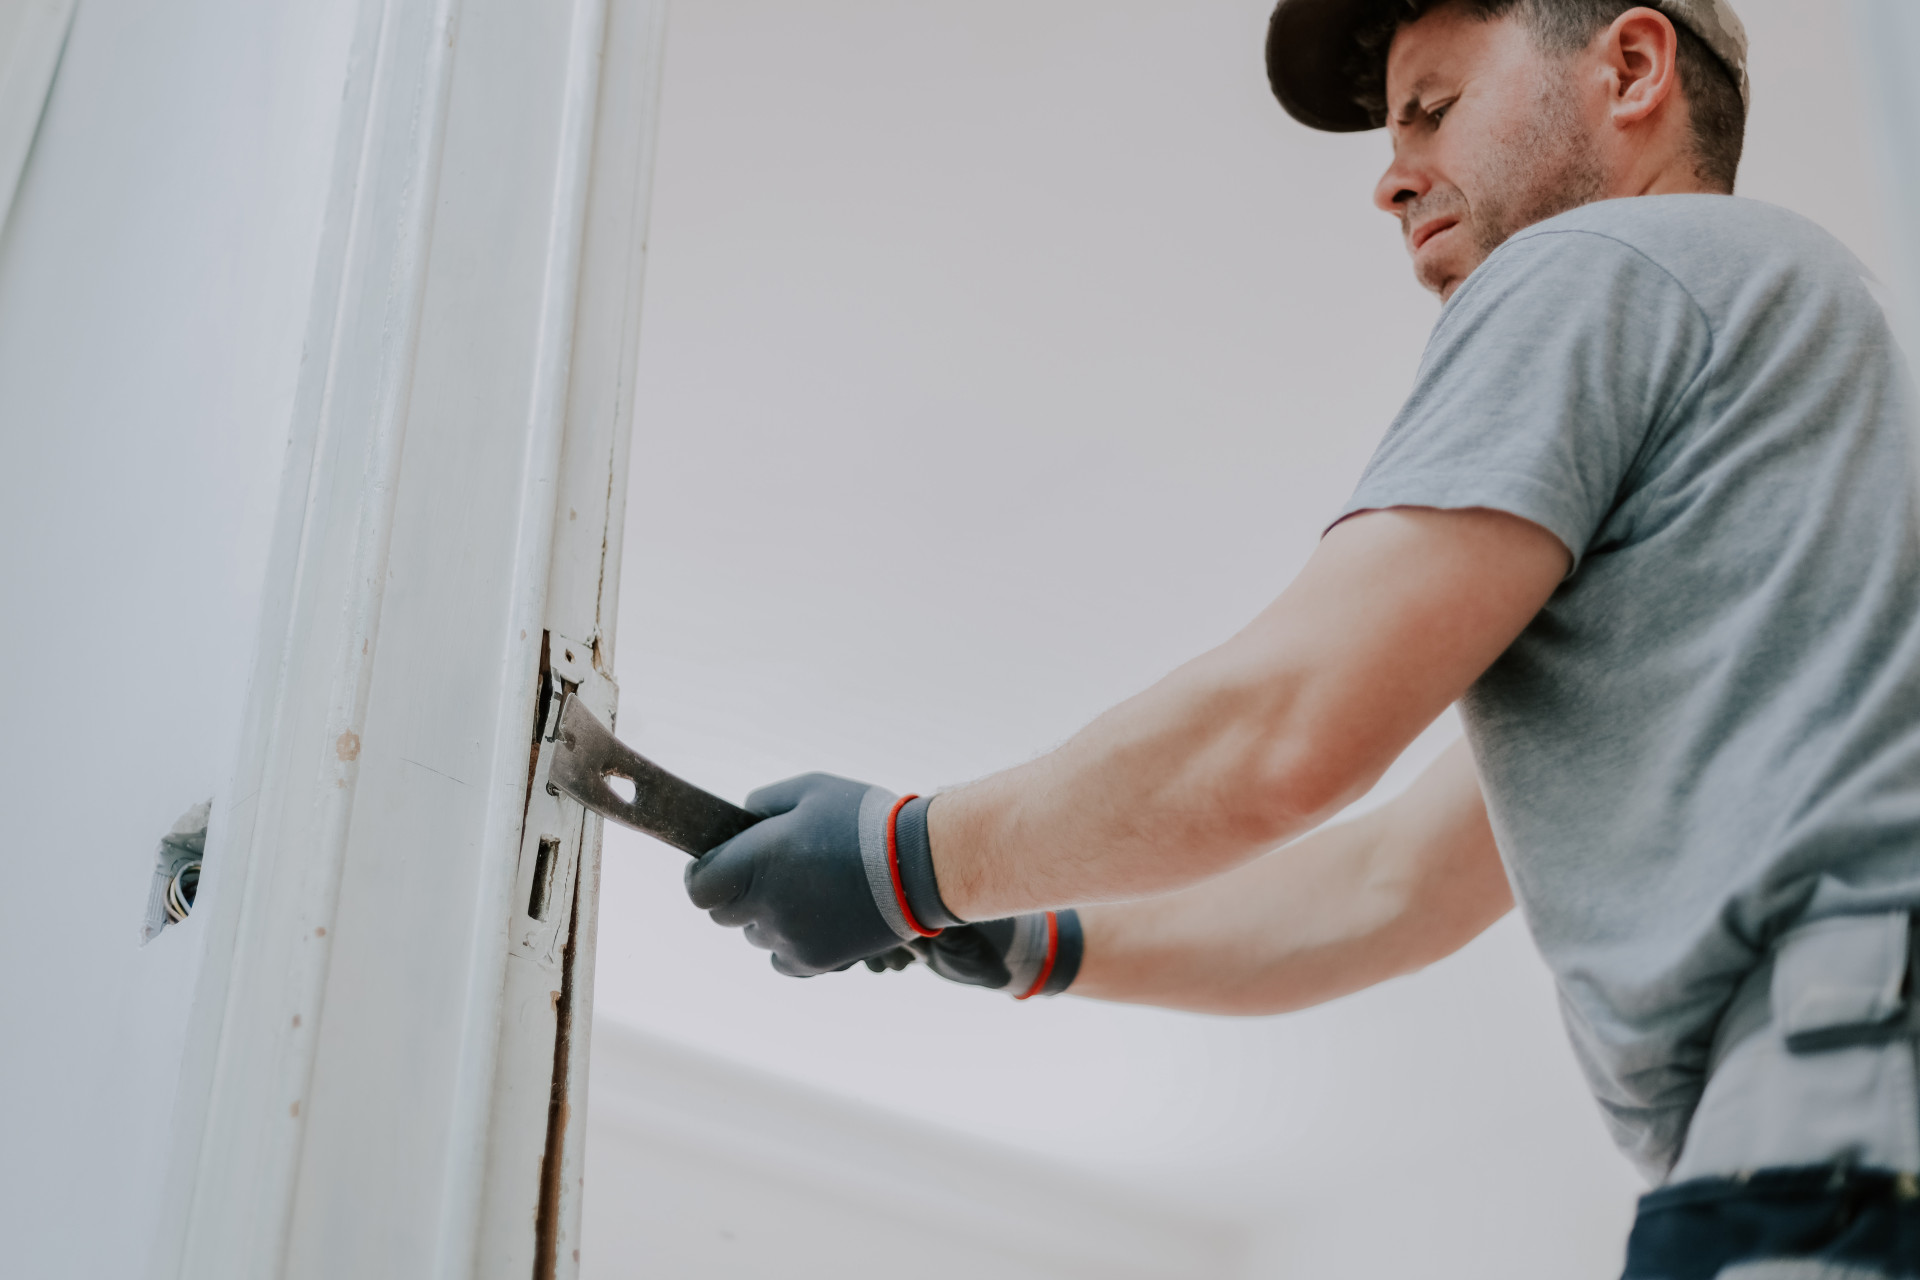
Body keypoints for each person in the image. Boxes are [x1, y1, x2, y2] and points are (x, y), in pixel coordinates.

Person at [682, 2, 1920, 1273]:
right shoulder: (1783, 363)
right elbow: (1394, 884)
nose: (1392, 178)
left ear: (1632, 65)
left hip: (1838, 1116)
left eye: (1433, 109)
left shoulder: (1611, 261)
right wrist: (1034, 934)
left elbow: (1285, 731)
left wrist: (909, 857)